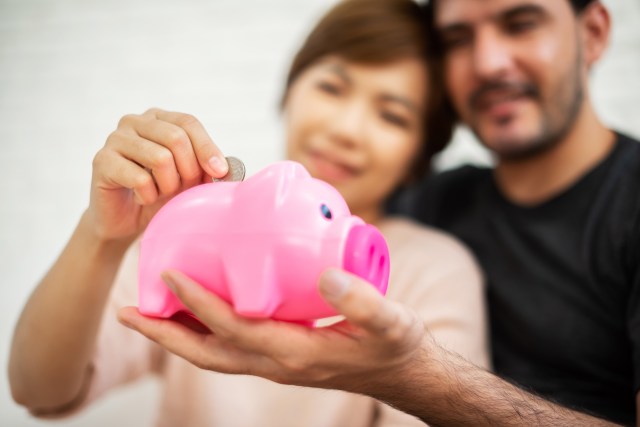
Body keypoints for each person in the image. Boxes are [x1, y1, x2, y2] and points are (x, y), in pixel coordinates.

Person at [109, 0, 639, 425]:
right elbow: (44, 390)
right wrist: (110, 233)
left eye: (521, 23)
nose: (487, 62)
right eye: (458, 38)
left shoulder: (432, 250)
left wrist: (410, 376)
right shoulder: (438, 199)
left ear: (592, 32)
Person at [9, 1, 489, 426]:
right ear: (290, 89)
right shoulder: (196, 221)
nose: (347, 129)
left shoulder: (436, 269)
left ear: (420, 155)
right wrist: (102, 236)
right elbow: (40, 392)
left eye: (393, 116)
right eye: (332, 87)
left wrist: (396, 376)